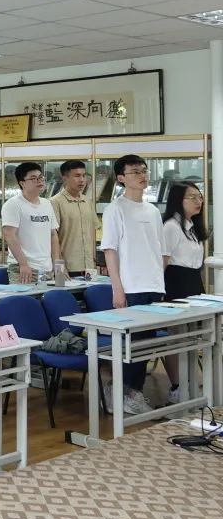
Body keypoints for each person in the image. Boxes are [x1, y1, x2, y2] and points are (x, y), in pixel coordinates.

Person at [101, 154, 165, 415]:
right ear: (121, 178)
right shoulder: (115, 209)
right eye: (135, 171)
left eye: (144, 171)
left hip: (153, 285)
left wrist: (159, 280)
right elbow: (110, 250)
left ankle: (133, 392)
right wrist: (118, 289)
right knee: (131, 345)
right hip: (131, 287)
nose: (142, 176)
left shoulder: (152, 210)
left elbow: (160, 250)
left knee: (146, 344)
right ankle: (122, 392)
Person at [161, 182, 207, 402]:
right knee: (176, 337)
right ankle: (176, 386)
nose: (198, 201)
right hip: (175, 283)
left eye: (200, 197)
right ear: (179, 200)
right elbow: (163, 261)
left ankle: (190, 382)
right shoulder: (171, 226)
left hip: (193, 283)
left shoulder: (193, 226)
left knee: (191, 337)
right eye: (192, 197)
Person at [1, 162, 59, 284]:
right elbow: (10, 236)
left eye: (41, 177)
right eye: (33, 178)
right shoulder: (13, 204)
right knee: (24, 297)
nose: (39, 181)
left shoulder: (47, 204)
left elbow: (53, 234)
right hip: (23, 269)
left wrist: (58, 266)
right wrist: (23, 264)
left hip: (46, 268)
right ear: (22, 183)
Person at [50, 160, 99, 277]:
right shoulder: (54, 202)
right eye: (77, 176)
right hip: (66, 270)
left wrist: (93, 261)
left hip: (89, 269)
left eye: (84, 175)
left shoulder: (87, 201)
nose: (82, 180)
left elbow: (92, 232)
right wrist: (59, 270)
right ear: (65, 178)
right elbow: (51, 238)